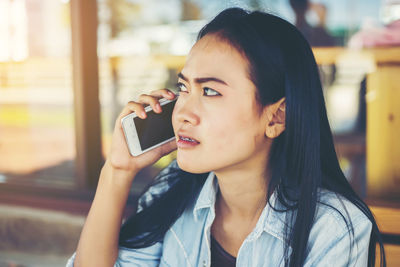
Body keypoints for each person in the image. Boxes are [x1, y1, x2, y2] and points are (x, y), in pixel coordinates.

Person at [67, 7, 385, 267]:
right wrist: (117, 172)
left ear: (276, 116)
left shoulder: (334, 228)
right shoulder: (172, 191)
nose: (182, 113)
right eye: (183, 88)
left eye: (210, 91)